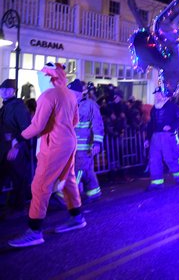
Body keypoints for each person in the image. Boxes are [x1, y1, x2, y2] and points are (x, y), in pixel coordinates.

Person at [8, 63, 84, 248]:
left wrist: (18, 139)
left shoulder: (47, 95)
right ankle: (77, 217)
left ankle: (34, 231)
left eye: (41, 76)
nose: (39, 78)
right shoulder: (68, 94)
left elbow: (37, 126)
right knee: (68, 181)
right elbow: (75, 120)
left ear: (49, 77)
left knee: (41, 185)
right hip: (69, 142)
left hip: (54, 145)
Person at [0, 78, 33, 219]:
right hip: (4, 149)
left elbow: (26, 129)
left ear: (13, 91)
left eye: (7, 89)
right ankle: (5, 208)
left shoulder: (18, 106)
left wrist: (16, 146)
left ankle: (19, 208)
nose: (4, 92)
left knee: (19, 179)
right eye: (2, 89)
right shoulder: (6, 106)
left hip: (15, 149)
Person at [68, 79, 105, 202]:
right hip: (71, 145)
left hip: (85, 145)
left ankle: (68, 197)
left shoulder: (90, 105)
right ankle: (94, 192)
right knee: (87, 170)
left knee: (77, 169)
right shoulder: (68, 105)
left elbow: (97, 124)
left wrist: (97, 143)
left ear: (79, 93)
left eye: (71, 92)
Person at [144, 87, 179, 191]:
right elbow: (151, 124)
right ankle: (156, 182)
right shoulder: (154, 108)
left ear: (164, 95)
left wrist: (171, 126)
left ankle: (178, 175)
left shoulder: (172, 106)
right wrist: (147, 139)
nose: (156, 96)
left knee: (170, 157)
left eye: (158, 94)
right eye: (156, 94)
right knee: (154, 159)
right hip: (155, 137)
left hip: (168, 136)